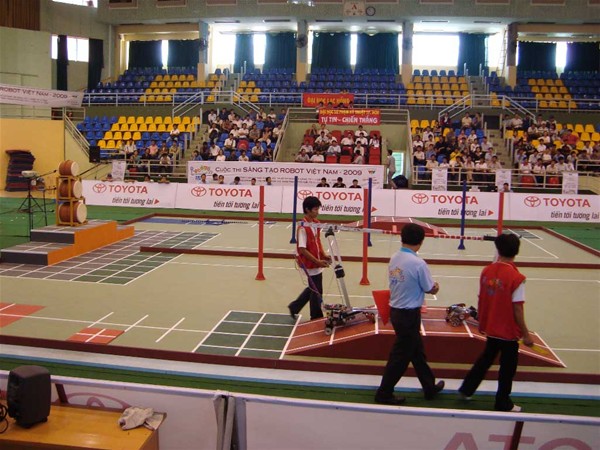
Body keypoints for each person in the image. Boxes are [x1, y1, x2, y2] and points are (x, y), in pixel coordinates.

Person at [459, 234, 533, 412]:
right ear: (516, 251)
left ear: (498, 250)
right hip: (508, 331)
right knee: (507, 368)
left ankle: (467, 388)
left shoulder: (486, 271)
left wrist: (483, 321)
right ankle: (502, 401)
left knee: (486, 359)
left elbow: (482, 298)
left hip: (491, 326)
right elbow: (517, 309)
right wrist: (526, 333)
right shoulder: (517, 278)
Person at [375, 223, 444, 405]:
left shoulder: (395, 258)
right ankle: (384, 393)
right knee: (400, 357)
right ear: (421, 241)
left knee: (417, 352)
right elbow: (429, 288)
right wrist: (436, 286)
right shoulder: (418, 263)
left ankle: (429, 387)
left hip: (397, 311)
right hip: (409, 315)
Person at [288, 196, 330, 321]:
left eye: (318, 209)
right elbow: (302, 249)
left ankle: (294, 307)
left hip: (316, 261)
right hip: (309, 262)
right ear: (307, 210)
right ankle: (315, 316)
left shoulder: (316, 223)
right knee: (317, 289)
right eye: (315, 209)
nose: (317, 212)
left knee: (313, 287)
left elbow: (317, 241)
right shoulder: (302, 228)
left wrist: (323, 255)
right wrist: (317, 261)